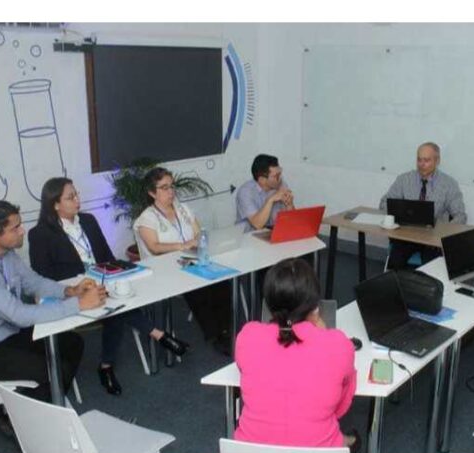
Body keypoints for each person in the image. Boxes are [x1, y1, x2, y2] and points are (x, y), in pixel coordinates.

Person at [28, 177, 188, 396]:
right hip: (73, 290)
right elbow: (43, 275)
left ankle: (111, 364)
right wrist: (80, 281)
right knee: (116, 308)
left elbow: (106, 256)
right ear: (55, 204)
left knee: (118, 300)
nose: (77, 199)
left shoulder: (88, 220)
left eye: (77, 194)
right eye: (71, 197)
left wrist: (115, 272)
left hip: (104, 280)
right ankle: (151, 339)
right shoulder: (39, 234)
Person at [0, 201, 104, 404]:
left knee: (72, 343)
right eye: (15, 228)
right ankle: (20, 419)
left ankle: (33, 407)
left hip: (4, 334)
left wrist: (69, 291)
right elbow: (18, 314)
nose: (22, 231)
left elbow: (33, 282)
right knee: (54, 369)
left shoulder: (4, 253)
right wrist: (79, 305)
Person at [234, 258, 359, 453]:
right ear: (315, 305)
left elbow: (245, 376)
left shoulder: (247, 336)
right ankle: (346, 441)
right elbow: (341, 405)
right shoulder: (338, 345)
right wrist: (323, 331)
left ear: (268, 302)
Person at [134, 167, 232, 355]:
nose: (171, 191)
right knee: (198, 287)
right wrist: (183, 245)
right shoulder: (146, 218)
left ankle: (226, 331)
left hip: (190, 261)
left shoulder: (183, 209)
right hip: (163, 268)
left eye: (172, 186)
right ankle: (214, 335)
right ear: (152, 193)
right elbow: (154, 247)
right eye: (164, 188)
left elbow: (198, 233)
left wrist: (197, 243)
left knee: (221, 282)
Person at [379, 142, 467, 269]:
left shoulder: (448, 184)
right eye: (419, 160)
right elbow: (383, 203)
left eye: (426, 160)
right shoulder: (404, 179)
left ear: (437, 161)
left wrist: (442, 234)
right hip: (406, 236)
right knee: (395, 264)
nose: (422, 164)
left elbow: (460, 216)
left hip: (433, 240)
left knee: (430, 270)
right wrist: (398, 212)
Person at [235, 154, 295, 232]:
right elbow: (258, 224)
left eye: (280, 173)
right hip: (248, 236)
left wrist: (290, 205)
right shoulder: (245, 192)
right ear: (262, 180)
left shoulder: (281, 184)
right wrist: (270, 200)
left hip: (272, 233)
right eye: (276, 176)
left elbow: (291, 221)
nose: (280, 178)